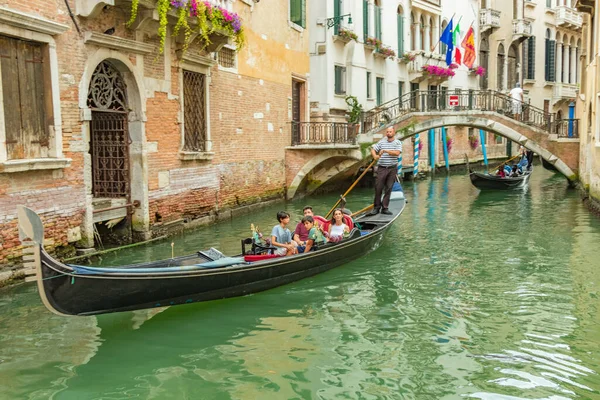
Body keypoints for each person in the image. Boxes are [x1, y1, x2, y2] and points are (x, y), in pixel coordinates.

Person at [367, 126, 402, 216]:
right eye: (387, 132)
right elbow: (373, 148)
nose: (388, 133)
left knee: (389, 188)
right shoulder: (382, 142)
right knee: (378, 187)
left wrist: (385, 150)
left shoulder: (397, 142)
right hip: (382, 167)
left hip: (392, 168)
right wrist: (375, 156)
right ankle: (376, 208)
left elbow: (397, 153)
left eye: (390, 132)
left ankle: (385, 208)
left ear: (394, 133)